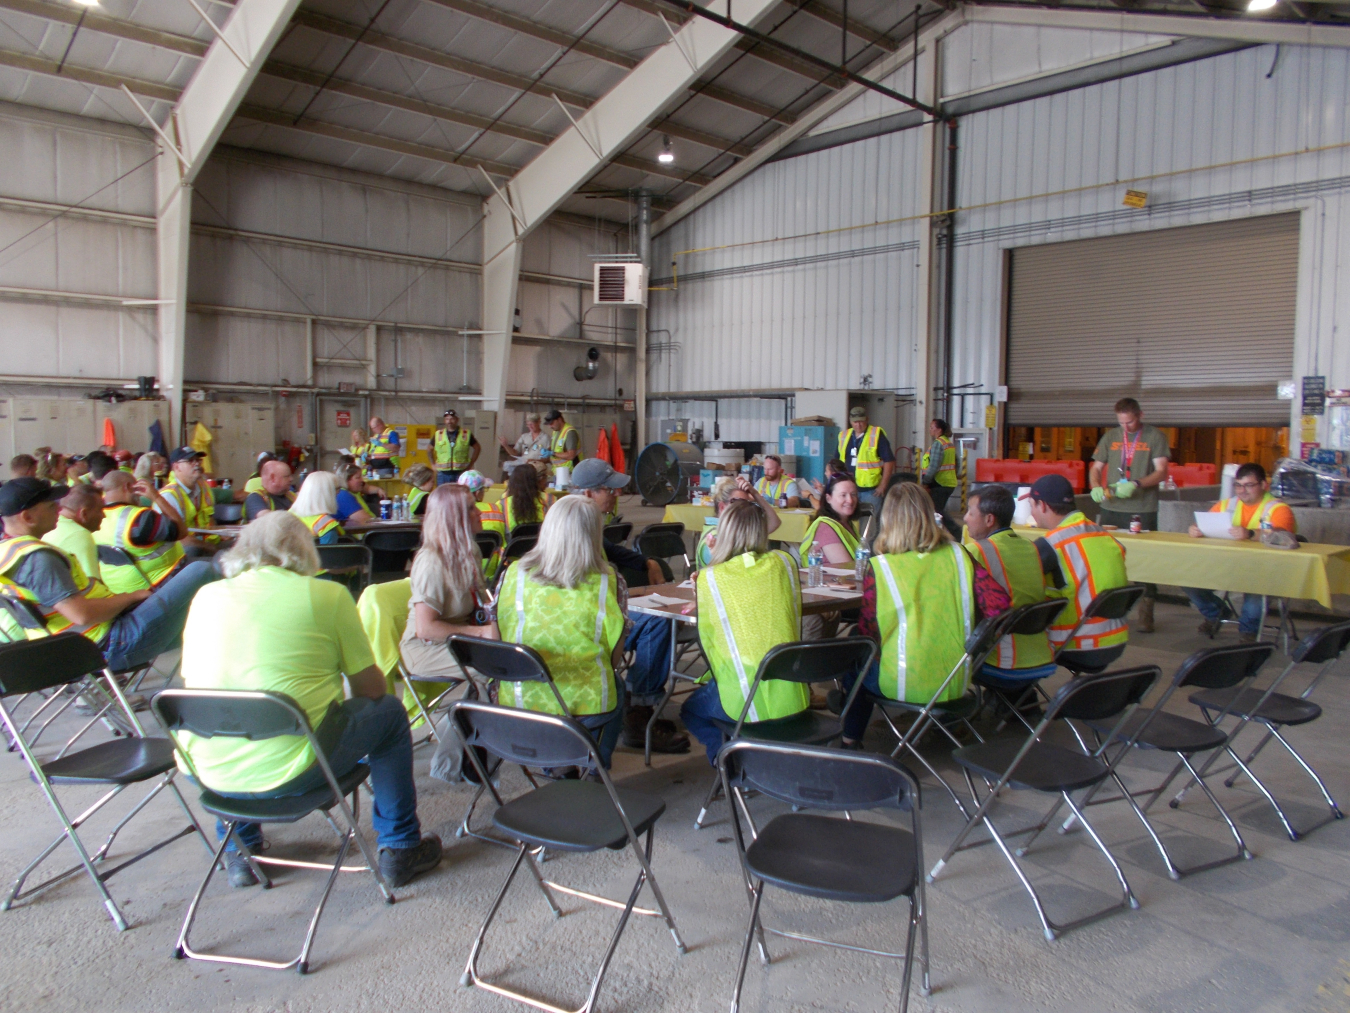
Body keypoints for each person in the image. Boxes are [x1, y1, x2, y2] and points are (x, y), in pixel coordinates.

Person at [176, 512, 442, 888]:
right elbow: (371, 690)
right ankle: (400, 847)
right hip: (297, 767)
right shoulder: (327, 595)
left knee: (228, 711)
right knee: (389, 713)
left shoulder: (206, 596)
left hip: (204, 768)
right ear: (304, 551)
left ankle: (241, 849)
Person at [839, 482, 1011, 746]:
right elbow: (1000, 605)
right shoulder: (959, 554)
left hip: (903, 682)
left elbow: (869, 634)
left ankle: (851, 739)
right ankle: (947, 723)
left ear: (889, 520)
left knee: (854, 654)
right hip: (955, 680)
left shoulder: (881, 567)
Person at [0, 478, 218, 672]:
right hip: (105, 645)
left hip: (67, 649)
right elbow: (81, 615)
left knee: (196, 621)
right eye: (50, 506)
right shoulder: (38, 559)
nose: (58, 509)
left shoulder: (10, 550)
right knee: (200, 569)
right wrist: (131, 597)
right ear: (28, 517)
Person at [495, 495, 626, 770]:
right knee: (619, 686)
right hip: (587, 703)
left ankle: (554, 762)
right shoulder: (610, 583)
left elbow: (499, 641)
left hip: (520, 700)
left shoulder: (511, 576)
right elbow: (613, 661)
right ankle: (595, 766)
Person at [569, 458, 689, 754]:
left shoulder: (588, 524)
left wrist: (647, 562)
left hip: (599, 615)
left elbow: (615, 553)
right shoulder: (575, 531)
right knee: (658, 621)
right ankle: (638, 713)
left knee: (660, 619)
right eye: (609, 489)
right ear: (588, 494)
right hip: (584, 624)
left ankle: (640, 707)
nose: (616, 494)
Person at [679, 500, 807, 764]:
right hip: (794, 695)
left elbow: (710, 639)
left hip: (742, 694)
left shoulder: (711, 578)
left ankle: (728, 762)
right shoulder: (784, 563)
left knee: (691, 711)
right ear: (762, 532)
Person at [1026, 474, 1130, 671]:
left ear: (1043, 506)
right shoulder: (1103, 534)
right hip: (1116, 638)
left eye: (1031, 505)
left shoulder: (1050, 545)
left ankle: (1012, 699)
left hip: (1078, 643)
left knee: (1009, 633)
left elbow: (1017, 582)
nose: (1031, 512)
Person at [1184, 463, 1295, 641]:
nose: (1242, 491)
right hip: (1227, 566)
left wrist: (1250, 533)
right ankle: (1216, 614)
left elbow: (1282, 536)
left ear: (1263, 485)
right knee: (1185, 578)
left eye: (1249, 485)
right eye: (1238, 485)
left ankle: (1248, 633)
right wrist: (1196, 528)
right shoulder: (1226, 505)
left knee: (1256, 589)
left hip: (1264, 570)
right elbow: (1205, 523)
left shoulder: (1278, 509)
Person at [1089, 397, 1170, 632]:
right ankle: (1110, 607)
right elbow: (1095, 468)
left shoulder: (1155, 436)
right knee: (1108, 557)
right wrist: (1096, 486)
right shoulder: (1111, 437)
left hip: (1142, 508)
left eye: (1131, 422)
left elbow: (1161, 472)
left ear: (1140, 415)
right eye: (1122, 423)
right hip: (1111, 508)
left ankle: (1146, 609)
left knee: (1146, 559)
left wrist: (1136, 483)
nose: (1126, 427)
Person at [401, 484, 496, 684]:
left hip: (460, 638)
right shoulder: (431, 562)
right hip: (427, 649)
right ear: (454, 517)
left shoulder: (471, 551)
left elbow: (483, 598)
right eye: (471, 508)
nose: (479, 512)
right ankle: (475, 713)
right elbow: (426, 629)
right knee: (499, 666)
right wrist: (481, 633)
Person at [963, 484, 1055, 679]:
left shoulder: (977, 552)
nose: (965, 519)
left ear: (989, 519)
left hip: (1002, 659)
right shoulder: (1031, 547)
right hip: (1041, 655)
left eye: (970, 513)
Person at [95, 471, 189, 594]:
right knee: (206, 566)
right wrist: (156, 496)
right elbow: (182, 531)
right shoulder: (140, 518)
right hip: (157, 584)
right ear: (128, 487)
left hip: (120, 591)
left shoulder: (96, 519)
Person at [696, 475, 782, 568]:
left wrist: (755, 494)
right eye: (737, 504)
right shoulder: (713, 537)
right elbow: (738, 570)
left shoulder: (737, 529)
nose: (745, 510)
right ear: (722, 507)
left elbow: (774, 522)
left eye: (747, 504)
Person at [42, 482, 104, 581]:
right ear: (84, 514)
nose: (104, 515)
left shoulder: (48, 526)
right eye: (100, 510)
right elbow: (92, 586)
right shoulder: (79, 535)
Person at [838, 406, 895, 506]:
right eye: (855, 422)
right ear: (850, 421)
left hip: (870, 491)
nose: (858, 425)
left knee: (869, 520)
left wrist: (883, 485)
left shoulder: (876, 434)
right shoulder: (844, 436)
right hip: (848, 490)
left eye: (861, 421)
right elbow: (837, 461)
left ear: (867, 420)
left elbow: (889, 461)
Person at [800, 475, 861, 566]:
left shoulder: (847, 523)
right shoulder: (826, 528)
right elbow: (846, 569)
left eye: (853, 494)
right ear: (828, 498)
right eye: (843, 495)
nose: (850, 500)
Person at [158, 447, 215, 533]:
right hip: (189, 545)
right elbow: (178, 538)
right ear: (176, 467)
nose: (196, 464)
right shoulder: (168, 496)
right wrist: (211, 546)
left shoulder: (203, 486)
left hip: (210, 541)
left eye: (198, 460)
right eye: (190, 460)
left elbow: (210, 518)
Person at [920, 418, 959, 525]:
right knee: (938, 511)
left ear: (939, 430)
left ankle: (952, 531)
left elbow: (934, 466)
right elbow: (957, 464)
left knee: (935, 513)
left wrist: (925, 482)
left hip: (939, 483)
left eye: (932, 427)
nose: (929, 429)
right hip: (948, 483)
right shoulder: (948, 443)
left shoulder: (938, 444)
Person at [290, 472, 345, 544]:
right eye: (338, 489)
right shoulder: (326, 524)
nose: (339, 492)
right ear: (329, 493)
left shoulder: (288, 515)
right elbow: (330, 554)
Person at [433, 409, 479, 485]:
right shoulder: (438, 434)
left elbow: (477, 448)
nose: (449, 421)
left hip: (460, 473)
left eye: (452, 419)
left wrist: (471, 464)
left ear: (457, 420)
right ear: (444, 421)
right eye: (447, 419)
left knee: (459, 495)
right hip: (443, 474)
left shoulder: (466, 434)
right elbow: (429, 449)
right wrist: (432, 464)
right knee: (442, 495)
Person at [503, 459, 547, 533]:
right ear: (536, 481)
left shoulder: (502, 503)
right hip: (541, 542)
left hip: (511, 543)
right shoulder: (549, 499)